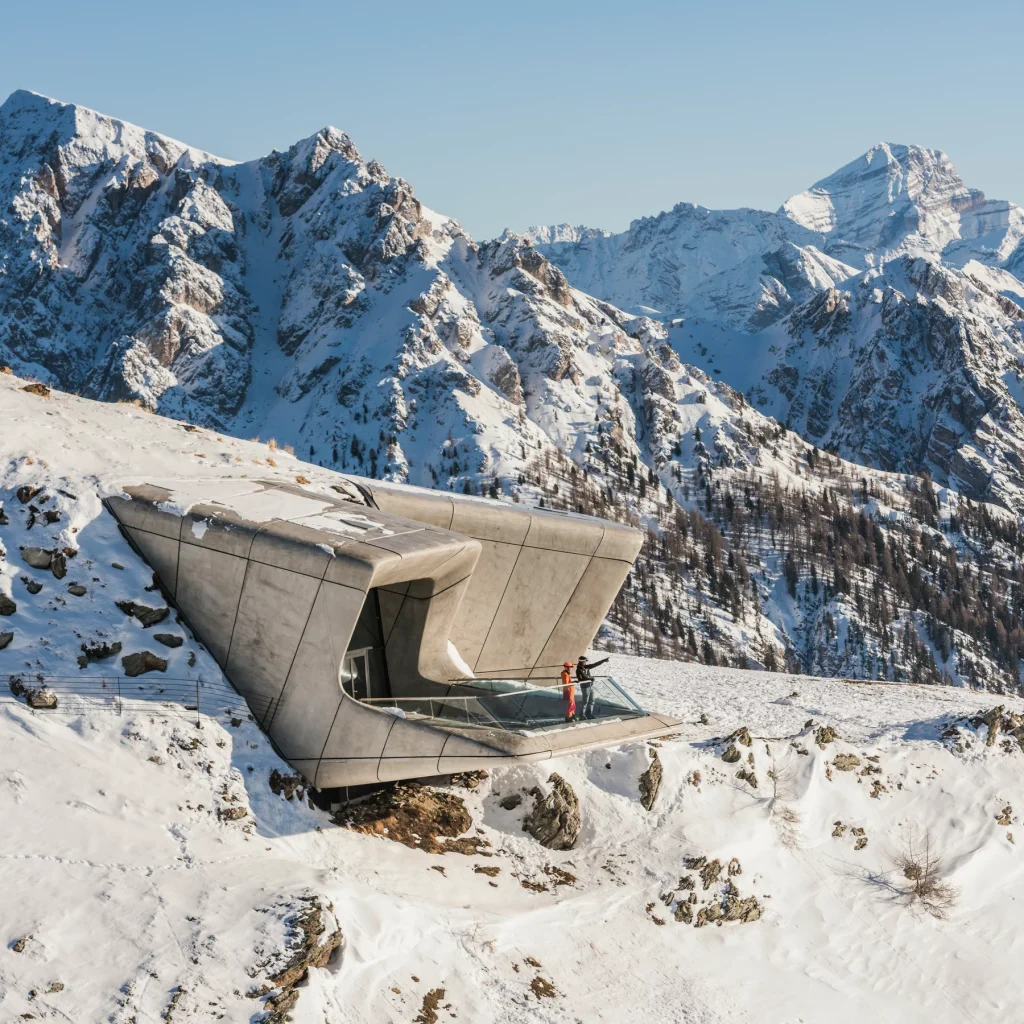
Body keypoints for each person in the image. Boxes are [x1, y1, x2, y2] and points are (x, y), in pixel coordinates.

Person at [576, 654, 609, 720]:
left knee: (591, 700)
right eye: (585, 661)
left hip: (591, 685)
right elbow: (580, 679)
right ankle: (581, 715)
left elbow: (595, 664)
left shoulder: (586, 667)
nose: (586, 662)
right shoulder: (578, 670)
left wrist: (603, 661)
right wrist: (589, 678)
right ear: (582, 661)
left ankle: (589, 714)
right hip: (585, 687)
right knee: (585, 702)